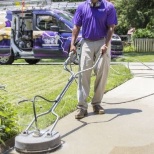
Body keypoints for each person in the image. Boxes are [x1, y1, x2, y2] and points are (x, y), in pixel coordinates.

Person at [70, 0, 117, 119]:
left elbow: (111, 27)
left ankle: (96, 103)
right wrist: (72, 44)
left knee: (102, 71)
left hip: (103, 40)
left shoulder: (108, 7)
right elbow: (76, 26)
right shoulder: (82, 7)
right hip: (87, 42)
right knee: (83, 72)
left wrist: (106, 44)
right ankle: (82, 107)